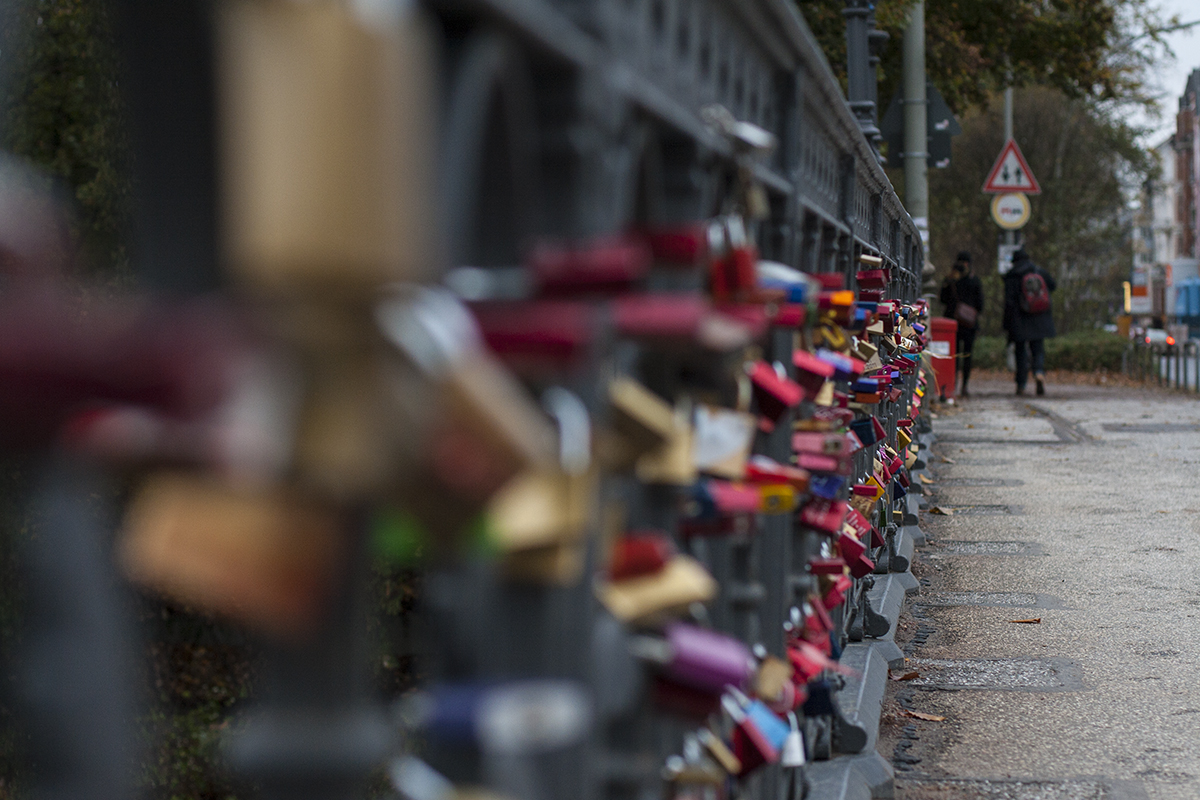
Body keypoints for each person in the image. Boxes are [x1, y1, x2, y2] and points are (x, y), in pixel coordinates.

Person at [1002, 248, 1056, 396]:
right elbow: (1053, 285)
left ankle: (1021, 384)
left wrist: (1007, 325)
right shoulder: (1039, 271)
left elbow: (1009, 302)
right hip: (1040, 318)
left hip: (1019, 320)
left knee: (1020, 352)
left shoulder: (1012, 276)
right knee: (1037, 349)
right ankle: (1039, 372)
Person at [938, 251, 984, 397]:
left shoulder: (953, 279)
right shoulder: (973, 280)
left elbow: (943, 300)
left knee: (954, 356)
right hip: (969, 324)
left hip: (953, 322)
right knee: (966, 356)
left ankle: (955, 385)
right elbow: (980, 304)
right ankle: (963, 386)